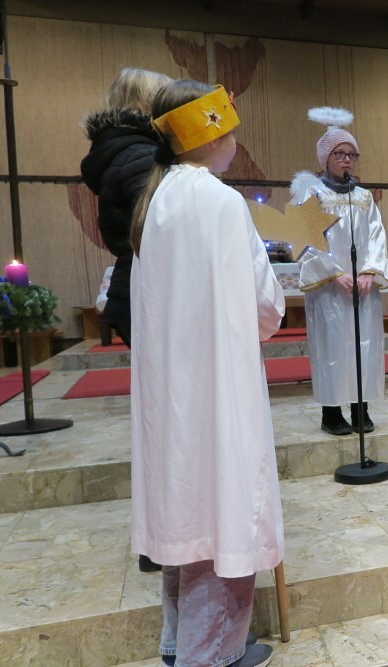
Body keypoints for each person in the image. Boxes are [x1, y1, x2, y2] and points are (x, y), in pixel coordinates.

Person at [129, 79, 283, 667]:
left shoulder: (156, 200)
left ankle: (179, 644)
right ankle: (211, 655)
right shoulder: (221, 202)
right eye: (231, 131)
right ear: (212, 136)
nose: (236, 141)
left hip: (172, 393)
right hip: (218, 386)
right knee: (224, 517)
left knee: (186, 518)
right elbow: (264, 306)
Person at [80, 66, 172, 575]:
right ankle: (162, 536)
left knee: (162, 416)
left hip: (140, 289)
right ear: (146, 105)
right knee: (168, 420)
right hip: (154, 293)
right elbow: (164, 225)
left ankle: (163, 533)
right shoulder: (140, 154)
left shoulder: (120, 149)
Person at [290, 107, 388, 436]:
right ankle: (331, 413)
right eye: (339, 154)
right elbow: (306, 239)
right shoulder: (312, 194)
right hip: (330, 288)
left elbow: (376, 235)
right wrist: (334, 272)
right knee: (332, 349)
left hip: (362, 287)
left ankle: (361, 408)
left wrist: (369, 271)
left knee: (365, 346)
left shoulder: (363, 197)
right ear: (325, 158)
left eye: (351, 154)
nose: (347, 160)